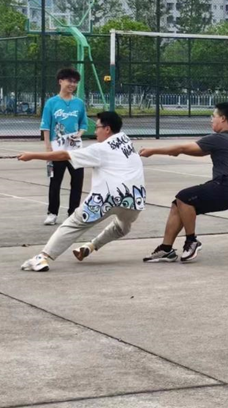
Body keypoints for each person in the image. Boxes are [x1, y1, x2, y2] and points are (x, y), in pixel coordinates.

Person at [19, 112, 145, 272]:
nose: (95, 131)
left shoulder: (100, 149)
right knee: (122, 227)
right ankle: (91, 246)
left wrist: (32, 155)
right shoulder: (126, 140)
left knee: (73, 224)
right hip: (135, 199)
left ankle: (43, 258)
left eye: (97, 127)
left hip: (107, 199)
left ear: (107, 129)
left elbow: (64, 155)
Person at [140, 102, 228, 262]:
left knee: (184, 197)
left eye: (213, 116)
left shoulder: (219, 138)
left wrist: (153, 151)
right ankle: (166, 249)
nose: (211, 120)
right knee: (178, 205)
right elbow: (198, 151)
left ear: (223, 119)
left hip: (226, 185)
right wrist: (177, 152)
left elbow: (183, 148)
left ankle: (191, 241)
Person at [40, 67, 89, 225]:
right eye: (70, 81)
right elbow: (45, 126)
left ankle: (73, 213)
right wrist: (48, 147)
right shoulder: (51, 103)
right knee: (55, 181)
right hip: (57, 148)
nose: (72, 84)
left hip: (75, 149)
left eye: (75, 82)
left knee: (77, 181)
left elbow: (83, 124)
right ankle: (52, 213)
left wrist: (79, 134)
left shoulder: (79, 103)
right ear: (60, 81)